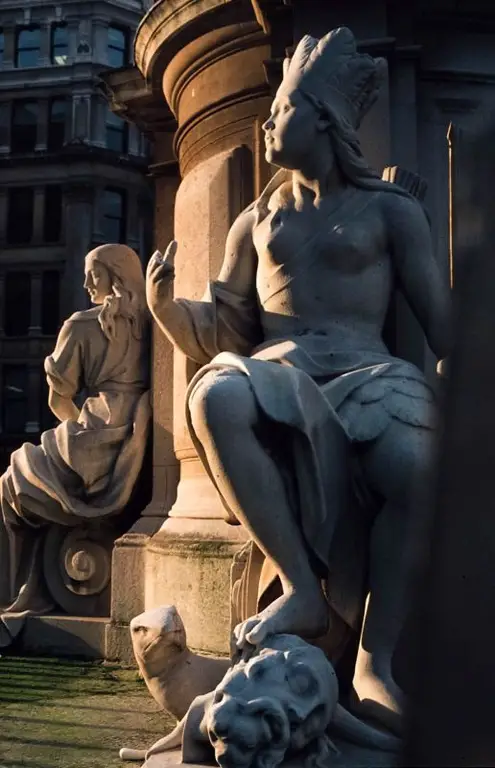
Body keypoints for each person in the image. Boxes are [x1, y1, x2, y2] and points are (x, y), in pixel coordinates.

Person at [146, 27, 451, 731]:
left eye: (281, 111)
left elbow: (439, 323)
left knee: (415, 468)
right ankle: (301, 592)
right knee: (216, 391)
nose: (267, 124)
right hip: (281, 371)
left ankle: (377, 657)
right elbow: (226, 327)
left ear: (323, 119)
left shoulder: (388, 211)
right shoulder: (255, 221)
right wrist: (167, 310)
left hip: (371, 375)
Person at [0, 244, 150, 642]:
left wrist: (79, 433)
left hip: (95, 429)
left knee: (13, 479)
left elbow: (58, 398)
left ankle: (27, 587)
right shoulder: (152, 323)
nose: (85, 283)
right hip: (142, 428)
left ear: (114, 278)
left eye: (93, 274)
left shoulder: (81, 325)